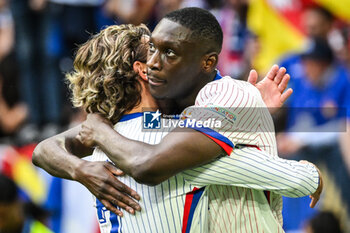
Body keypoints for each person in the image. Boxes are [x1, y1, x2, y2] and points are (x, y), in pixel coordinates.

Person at [33, 8, 322, 233]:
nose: (157, 62)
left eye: (167, 52)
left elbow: (44, 149)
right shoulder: (168, 145)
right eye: (153, 52)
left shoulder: (102, 141)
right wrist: (309, 174)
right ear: (141, 72)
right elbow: (280, 176)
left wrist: (82, 166)